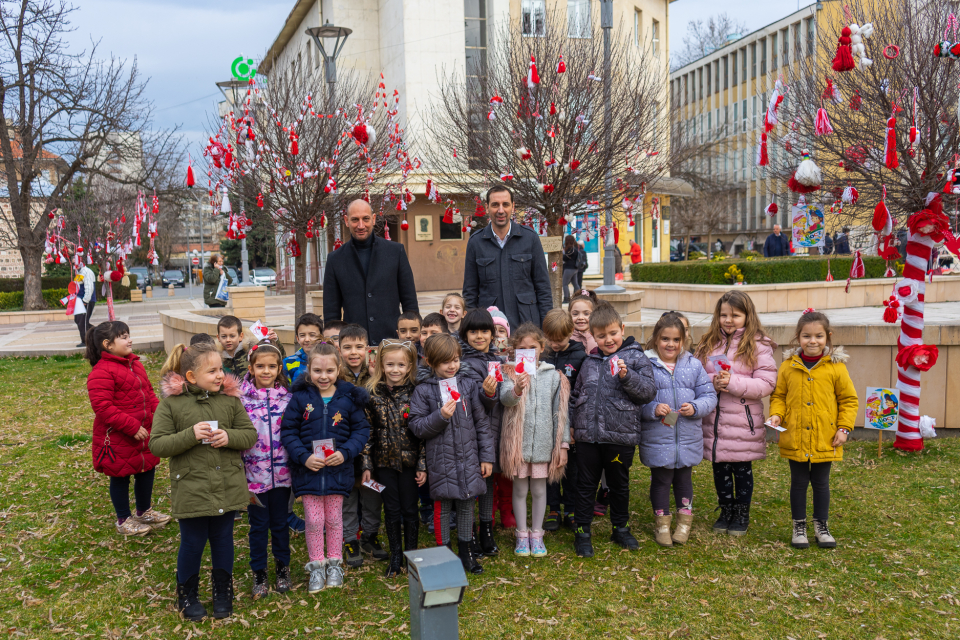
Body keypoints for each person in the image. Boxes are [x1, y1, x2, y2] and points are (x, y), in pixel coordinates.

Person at [151, 342, 257, 621]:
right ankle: (187, 595)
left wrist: (229, 437)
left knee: (223, 540)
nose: (221, 375)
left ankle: (223, 592)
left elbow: (249, 435)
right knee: (192, 542)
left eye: (221, 368)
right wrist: (190, 434)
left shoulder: (230, 400)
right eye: (212, 371)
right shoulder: (171, 405)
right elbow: (158, 445)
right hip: (191, 487)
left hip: (227, 484)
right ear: (190, 377)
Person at [281, 343, 371, 592]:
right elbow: (288, 431)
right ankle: (316, 566)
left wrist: (345, 453)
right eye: (318, 371)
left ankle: (334, 564)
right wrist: (303, 457)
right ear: (308, 370)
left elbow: (362, 430)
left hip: (337, 473)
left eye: (329, 370)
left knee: (333, 520)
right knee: (313, 520)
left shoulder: (349, 398)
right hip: (308, 473)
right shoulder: (300, 398)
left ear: (338, 369)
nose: (324, 376)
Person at [571, 304, 657, 557]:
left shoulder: (636, 358)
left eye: (612, 333)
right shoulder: (589, 362)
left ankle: (620, 527)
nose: (608, 340)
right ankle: (583, 532)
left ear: (622, 329)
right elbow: (577, 395)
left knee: (619, 485)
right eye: (601, 336)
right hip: (588, 437)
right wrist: (574, 424)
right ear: (593, 337)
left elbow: (648, 393)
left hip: (620, 439)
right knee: (585, 484)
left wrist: (627, 376)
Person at [768, 310, 858, 550]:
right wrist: (777, 413)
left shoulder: (836, 368)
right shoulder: (788, 367)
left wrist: (844, 428)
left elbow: (848, 400)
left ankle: (821, 525)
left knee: (821, 482)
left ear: (827, 337)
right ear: (798, 337)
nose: (813, 341)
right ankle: (799, 526)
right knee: (798, 482)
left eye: (818, 336)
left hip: (824, 437)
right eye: (807, 336)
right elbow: (779, 395)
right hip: (795, 436)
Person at [408, 333, 495, 574]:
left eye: (455, 359)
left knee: (467, 504)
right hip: (440, 461)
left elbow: (482, 423)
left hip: (468, 458)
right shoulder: (424, 391)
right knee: (443, 507)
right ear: (431, 362)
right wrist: (441, 416)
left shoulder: (467, 385)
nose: (452, 366)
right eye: (446, 361)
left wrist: (486, 457)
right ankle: (443, 554)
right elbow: (417, 426)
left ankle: (467, 552)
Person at [695, 291, 777, 536]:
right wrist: (713, 381)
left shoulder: (758, 345)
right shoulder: (708, 342)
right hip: (715, 421)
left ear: (747, 316)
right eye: (723, 315)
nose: (728, 320)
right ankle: (725, 509)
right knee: (719, 469)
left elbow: (765, 383)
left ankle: (742, 512)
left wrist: (732, 382)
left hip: (743, 421)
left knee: (741, 470)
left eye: (735, 315)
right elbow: (696, 376)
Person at [85, 321, 169, 537]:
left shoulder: (135, 364)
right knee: (120, 475)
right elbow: (103, 407)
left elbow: (149, 393)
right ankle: (123, 520)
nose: (129, 339)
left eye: (128, 335)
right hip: (118, 437)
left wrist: (159, 417)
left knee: (147, 469)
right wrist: (132, 427)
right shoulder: (101, 372)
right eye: (123, 336)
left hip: (145, 431)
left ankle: (144, 511)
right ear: (108, 344)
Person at [641, 314, 717, 547]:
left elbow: (709, 396)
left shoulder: (694, 365)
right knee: (661, 480)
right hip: (658, 438)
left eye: (676, 339)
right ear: (656, 339)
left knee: (684, 480)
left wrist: (695, 407)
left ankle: (684, 524)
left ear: (683, 340)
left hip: (687, 439)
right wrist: (653, 408)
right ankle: (662, 524)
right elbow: (637, 400)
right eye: (665, 339)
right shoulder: (646, 365)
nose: (670, 344)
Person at [500, 323, 570, 558]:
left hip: (543, 445)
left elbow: (561, 413)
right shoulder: (509, 373)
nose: (528, 351)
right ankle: (522, 534)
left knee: (540, 490)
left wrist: (562, 445)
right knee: (520, 489)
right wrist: (517, 389)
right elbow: (505, 400)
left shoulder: (554, 376)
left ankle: (537, 534)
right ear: (514, 350)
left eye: (533, 347)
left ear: (542, 348)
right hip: (518, 446)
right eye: (522, 348)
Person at [361, 340, 424, 577]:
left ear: (408, 367)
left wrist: (422, 465)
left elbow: (423, 435)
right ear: (381, 365)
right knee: (392, 508)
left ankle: (412, 555)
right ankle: (396, 555)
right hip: (384, 462)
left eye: (400, 365)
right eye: (390, 364)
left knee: (410, 509)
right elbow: (367, 431)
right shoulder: (372, 393)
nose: (395, 370)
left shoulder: (416, 391)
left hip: (409, 462)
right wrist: (367, 463)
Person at [323, 199, 419, 345]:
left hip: (393, 343)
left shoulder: (396, 252)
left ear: (373, 219)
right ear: (346, 221)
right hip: (354, 347)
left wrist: (412, 341)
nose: (361, 225)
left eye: (365, 219)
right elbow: (331, 313)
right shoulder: (335, 259)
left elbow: (410, 303)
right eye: (355, 220)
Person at [239, 342, 293, 597]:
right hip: (253, 478)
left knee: (280, 524)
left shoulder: (288, 399)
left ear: (279, 368)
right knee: (258, 526)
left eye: (272, 366)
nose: (266, 371)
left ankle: (283, 569)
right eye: (260, 366)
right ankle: (259, 573)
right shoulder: (240, 400)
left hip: (282, 477)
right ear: (251, 368)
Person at [462, 185, 553, 330]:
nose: (500, 210)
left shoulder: (530, 238)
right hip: (489, 328)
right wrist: (472, 328)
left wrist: (547, 327)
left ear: (513, 207)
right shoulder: (476, 242)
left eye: (505, 204)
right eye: (495, 205)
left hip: (527, 326)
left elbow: (543, 288)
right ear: (487, 208)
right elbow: (470, 293)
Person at [456, 308, 505, 556]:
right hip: (473, 433)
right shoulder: (463, 364)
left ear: (492, 334)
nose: (478, 336)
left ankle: (487, 528)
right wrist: (487, 393)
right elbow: (476, 402)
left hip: (496, 430)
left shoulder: (498, 360)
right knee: (475, 482)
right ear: (464, 334)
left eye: (484, 331)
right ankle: (470, 532)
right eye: (472, 331)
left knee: (489, 480)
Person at [335, 324, 383, 567]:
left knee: (372, 492)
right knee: (348, 495)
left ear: (367, 348)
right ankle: (350, 538)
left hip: (372, 447)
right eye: (347, 347)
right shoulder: (334, 376)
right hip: (344, 447)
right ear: (338, 348)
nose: (353, 352)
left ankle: (370, 535)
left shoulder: (376, 374)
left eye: (359, 347)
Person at [541, 309, 586, 530]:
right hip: (546, 422)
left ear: (571, 332)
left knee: (571, 467)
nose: (554, 344)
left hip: (570, 423)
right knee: (550, 465)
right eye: (550, 339)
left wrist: (574, 424)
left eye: (559, 340)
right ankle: (553, 508)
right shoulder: (543, 355)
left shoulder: (580, 356)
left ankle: (570, 508)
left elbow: (581, 393)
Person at [218, 315, 284, 379]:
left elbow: (281, 360)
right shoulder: (217, 358)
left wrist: (275, 341)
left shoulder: (253, 351)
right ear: (218, 337)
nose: (228, 340)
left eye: (232, 336)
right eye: (224, 336)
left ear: (241, 336)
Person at [283, 314, 324, 383]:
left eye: (312, 335)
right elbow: (285, 390)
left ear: (321, 337)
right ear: (297, 338)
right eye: (302, 335)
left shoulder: (329, 359)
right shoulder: (288, 363)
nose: (307, 339)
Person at [74, 263, 97, 347]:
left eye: (75, 262)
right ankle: (97, 332)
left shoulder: (87, 272)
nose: (74, 265)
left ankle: (85, 341)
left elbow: (89, 287)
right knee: (78, 320)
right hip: (79, 300)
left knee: (82, 321)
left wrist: (85, 300)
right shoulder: (79, 272)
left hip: (86, 301)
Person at [561, 235, 580, 303]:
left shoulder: (570, 249)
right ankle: (579, 297)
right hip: (575, 268)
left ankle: (567, 298)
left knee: (564, 283)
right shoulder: (575, 248)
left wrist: (562, 253)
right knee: (575, 283)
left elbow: (564, 258)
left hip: (569, 268)